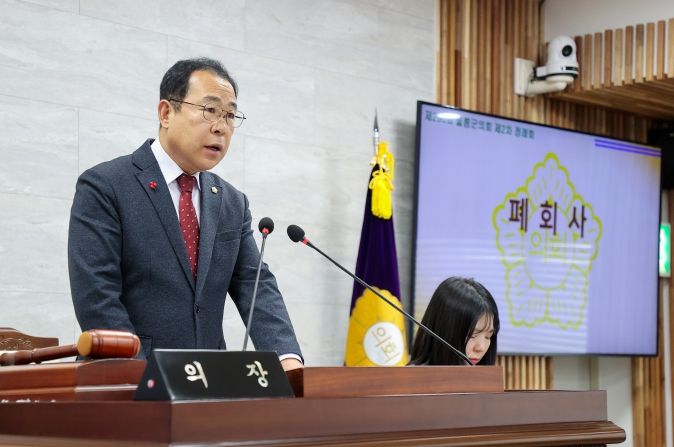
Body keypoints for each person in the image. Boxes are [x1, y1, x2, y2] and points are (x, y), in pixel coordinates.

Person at [68, 57, 303, 370]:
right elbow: (97, 296)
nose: (221, 127)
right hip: (126, 380)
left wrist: (287, 357)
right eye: (210, 110)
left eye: (230, 115)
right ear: (166, 113)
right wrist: (141, 374)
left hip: (209, 382)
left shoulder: (232, 202)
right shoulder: (106, 186)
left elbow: (255, 284)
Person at [409, 277, 499, 366]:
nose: (481, 348)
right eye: (472, 335)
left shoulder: (484, 374)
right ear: (443, 329)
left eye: (488, 337)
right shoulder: (411, 374)